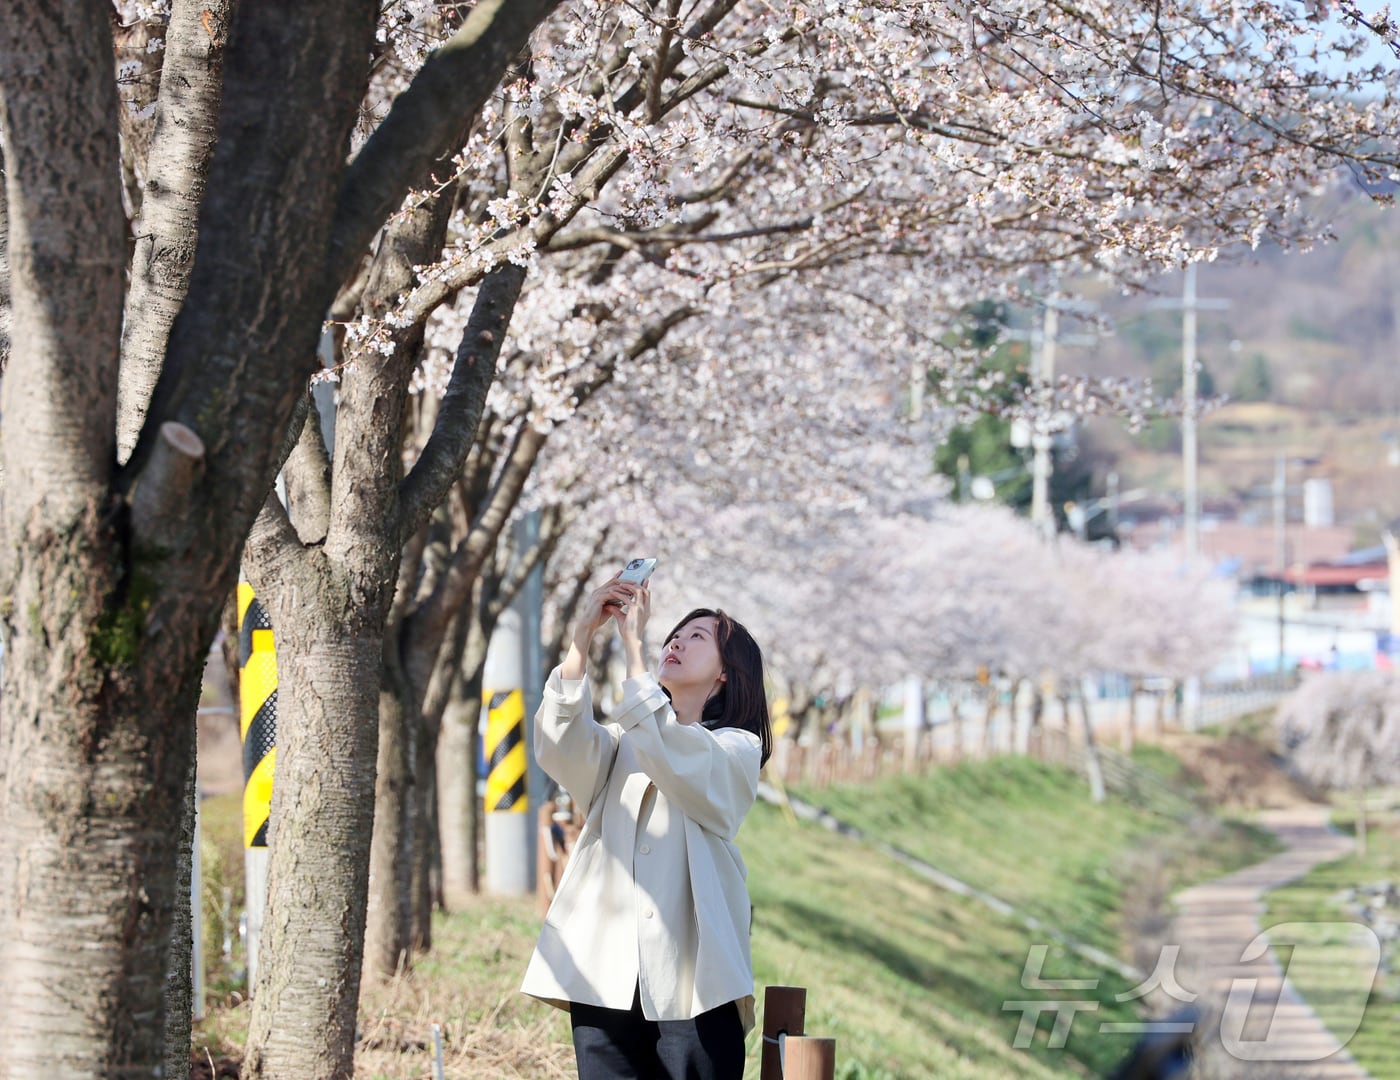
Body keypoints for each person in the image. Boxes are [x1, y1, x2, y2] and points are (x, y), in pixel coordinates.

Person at [520, 573, 772, 1080]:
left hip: (694, 981)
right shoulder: (622, 743)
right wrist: (583, 635)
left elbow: (672, 751)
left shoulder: (736, 750)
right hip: (605, 974)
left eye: (698, 637)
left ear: (726, 673)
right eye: (674, 634)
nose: (676, 641)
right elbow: (559, 741)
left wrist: (633, 646)